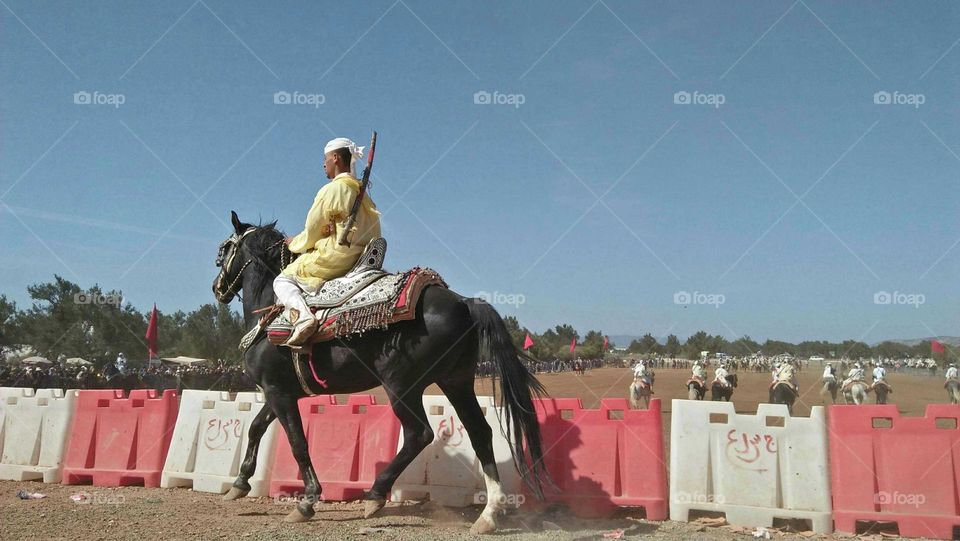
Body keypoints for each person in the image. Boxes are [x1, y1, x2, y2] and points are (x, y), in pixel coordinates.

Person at [274, 137, 382, 346]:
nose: (324, 164)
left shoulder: (331, 190)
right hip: (363, 256)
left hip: (337, 256)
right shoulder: (362, 192)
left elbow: (312, 231)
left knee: (282, 280)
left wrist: (294, 243)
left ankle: (304, 319)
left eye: (325, 159)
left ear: (335, 158)